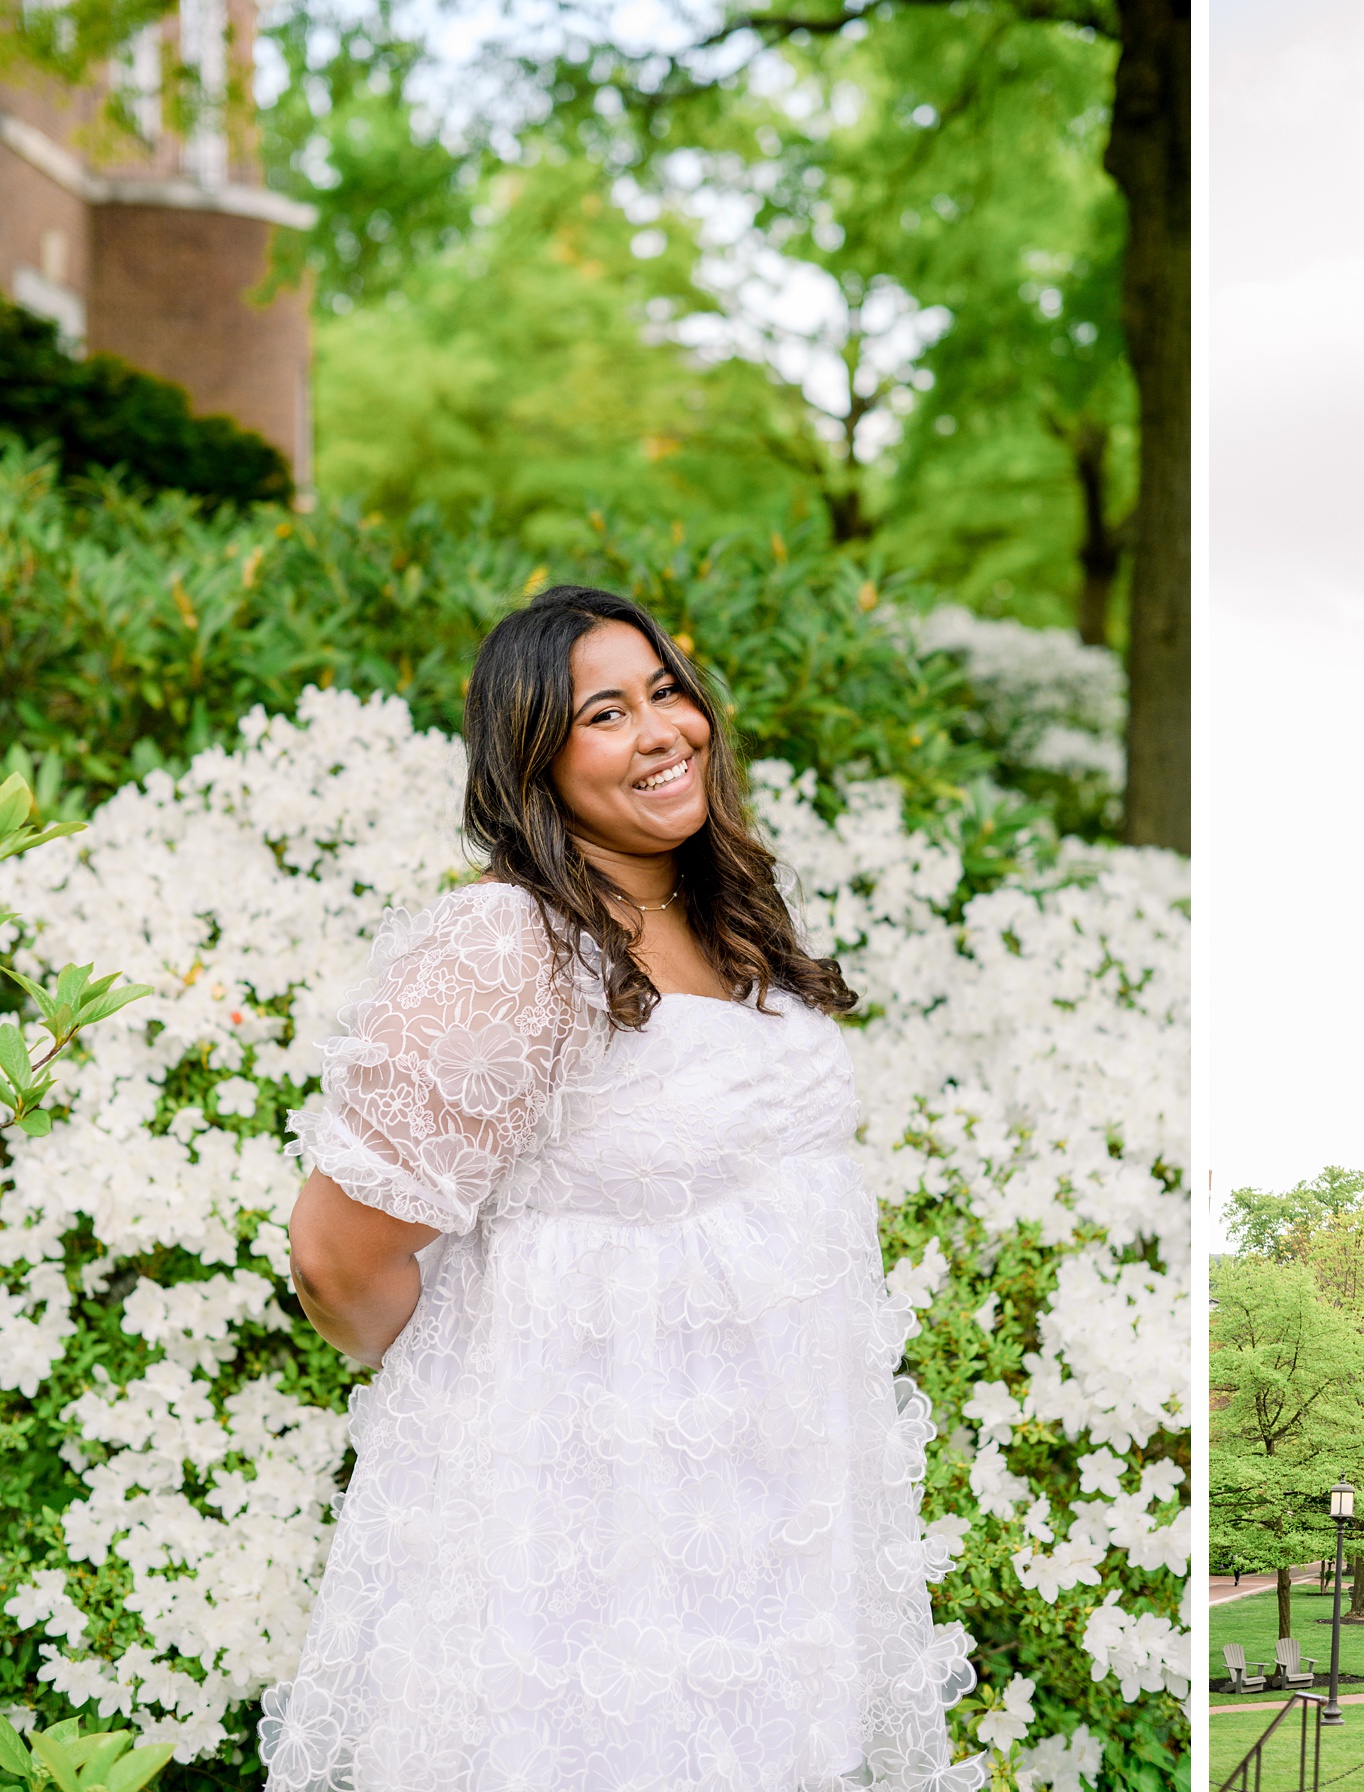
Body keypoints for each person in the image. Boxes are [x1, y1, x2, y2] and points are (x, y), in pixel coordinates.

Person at [261, 587, 980, 1791]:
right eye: (606, 712)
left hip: (770, 1506)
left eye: (666, 692)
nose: (662, 730)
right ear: (532, 759)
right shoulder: (510, 944)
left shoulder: (727, 915)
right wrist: (490, 1379)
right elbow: (339, 1258)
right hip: (585, 1519)